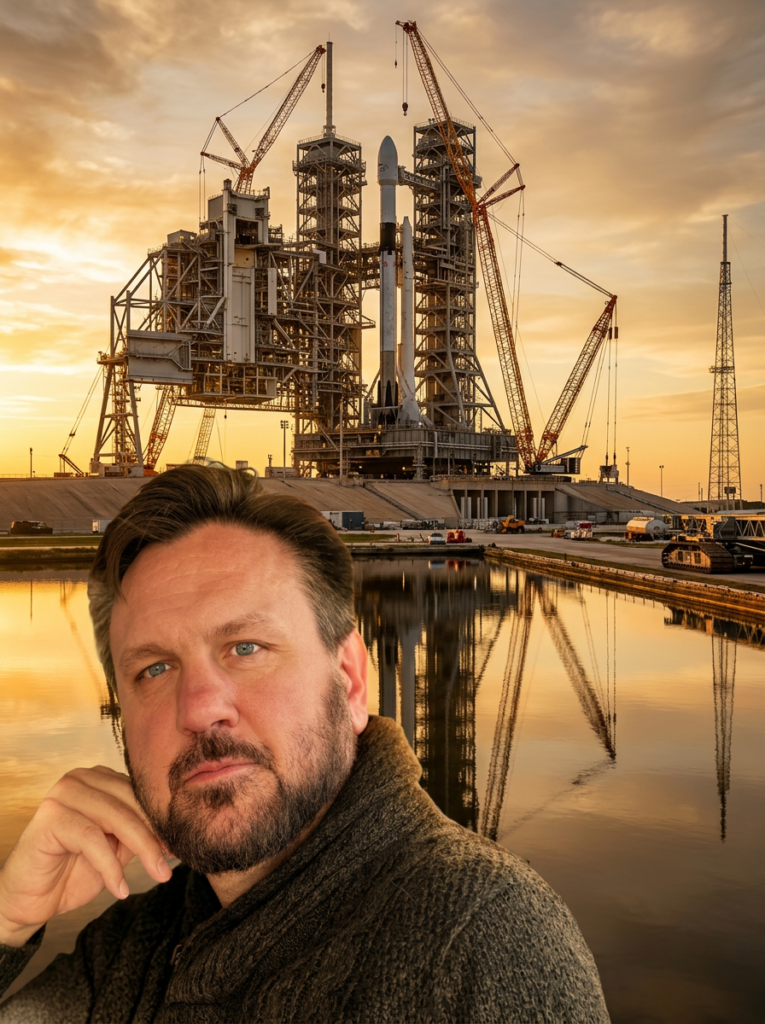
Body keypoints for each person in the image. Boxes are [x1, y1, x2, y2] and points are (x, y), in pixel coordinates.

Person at [0, 464, 610, 1023]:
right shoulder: (127, 948)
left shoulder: (481, 935)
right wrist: (6, 919)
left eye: (246, 648)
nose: (199, 709)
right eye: (153, 669)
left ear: (349, 679)